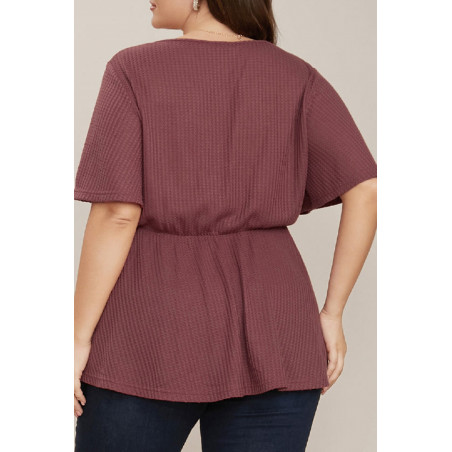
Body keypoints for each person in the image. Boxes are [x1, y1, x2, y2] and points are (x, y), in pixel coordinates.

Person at [73, 0, 377, 450]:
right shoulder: (296, 76)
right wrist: (332, 315)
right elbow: (366, 188)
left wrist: (76, 338)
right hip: (278, 330)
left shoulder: (132, 69)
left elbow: (118, 213)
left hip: (149, 331)